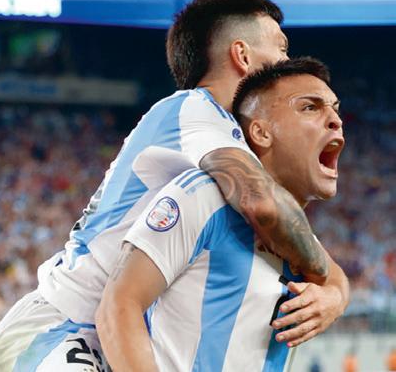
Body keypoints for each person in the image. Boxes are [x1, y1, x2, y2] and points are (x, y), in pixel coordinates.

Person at [0, 0, 348, 371]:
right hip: (59, 324)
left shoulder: (230, 142)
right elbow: (265, 206)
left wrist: (336, 294)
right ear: (242, 55)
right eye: (281, 49)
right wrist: (325, 280)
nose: (287, 63)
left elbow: (293, 227)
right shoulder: (193, 109)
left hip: (113, 332)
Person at [96, 58, 346, 371]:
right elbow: (118, 308)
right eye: (310, 107)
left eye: (336, 109)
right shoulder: (203, 195)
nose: (336, 120)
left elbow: (335, 277)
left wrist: (335, 297)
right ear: (261, 132)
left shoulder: (298, 239)